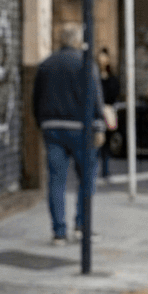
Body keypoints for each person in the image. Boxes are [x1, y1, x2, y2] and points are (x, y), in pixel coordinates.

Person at [32, 24, 104, 244]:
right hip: (81, 129)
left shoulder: (46, 64)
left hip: (52, 128)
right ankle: (82, 226)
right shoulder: (86, 63)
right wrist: (99, 125)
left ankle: (59, 232)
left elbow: (35, 99)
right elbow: (95, 96)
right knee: (87, 178)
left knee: (56, 180)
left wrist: (42, 124)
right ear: (77, 40)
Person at [98, 48, 120, 179]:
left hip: (107, 112)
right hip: (96, 112)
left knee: (106, 143)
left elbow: (114, 92)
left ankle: (105, 170)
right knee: (96, 142)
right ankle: (97, 169)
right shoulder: (94, 75)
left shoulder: (111, 78)